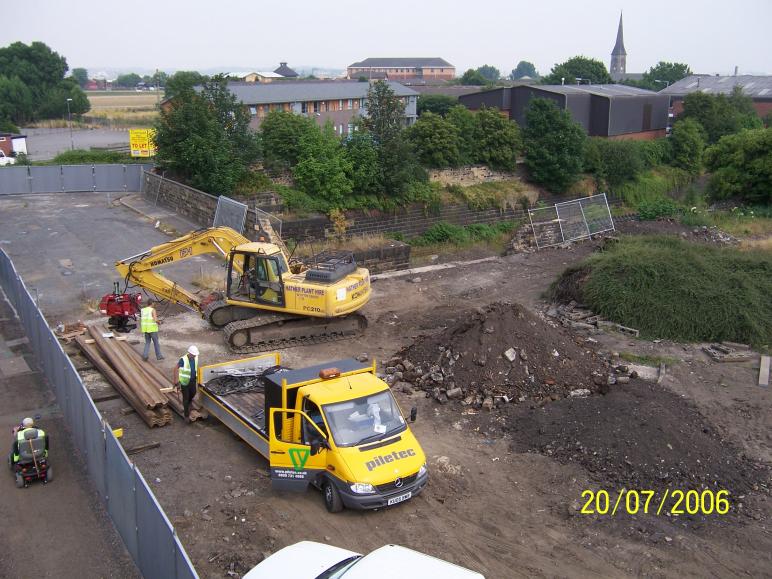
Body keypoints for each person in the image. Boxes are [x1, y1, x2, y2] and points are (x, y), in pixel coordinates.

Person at [173, 345, 199, 424]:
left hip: (192, 380)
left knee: (193, 392)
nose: (194, 356)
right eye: (193, 355)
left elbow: (195, 367)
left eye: (195, 355)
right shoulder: (183, 359)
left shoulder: (196, 358)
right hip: (184, 382)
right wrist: (176, 381)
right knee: (186, 398)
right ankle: (186, 415)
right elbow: (175, 368)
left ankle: (190, 402)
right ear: (190, 353)